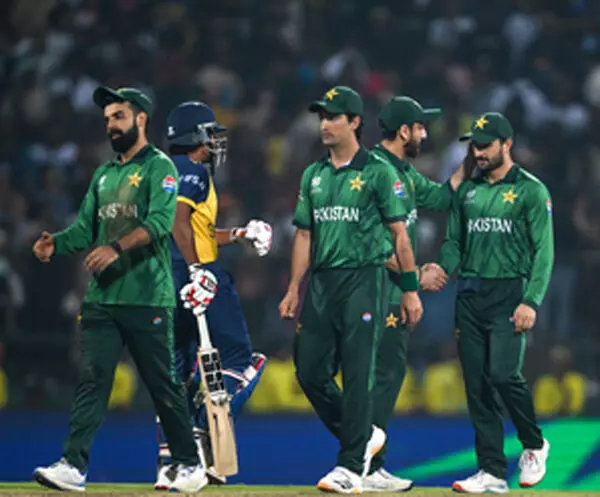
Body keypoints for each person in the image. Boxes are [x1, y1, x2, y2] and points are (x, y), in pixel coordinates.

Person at [31, 86, 209, 493]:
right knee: (92, 381)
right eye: (108, 118)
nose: (111, 125)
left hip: (147, 297)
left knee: (162, 385)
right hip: (103, 299)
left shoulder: (161, 168)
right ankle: (73, 466)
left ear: (141, 119)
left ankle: (190, 464)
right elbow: (85, 230)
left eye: (119, 117)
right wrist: (57, 243)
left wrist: (115, 248)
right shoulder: (104, 174)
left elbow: (160, 223)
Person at [278, 86, 423, 494]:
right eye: (322, 117)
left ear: (355, 122)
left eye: (333, 117)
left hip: (364, 278)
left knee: (359, 373)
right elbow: (304, 235)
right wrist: (294, 287)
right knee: (309, 371)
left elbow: (400, 235)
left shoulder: (378, 171)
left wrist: (409, 289)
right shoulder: (314, 175)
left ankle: (350, 466)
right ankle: (366, 440)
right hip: (322, 282)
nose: (324, 124)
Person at [423, 112, 552, 494]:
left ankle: (534, 443)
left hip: (510, 294)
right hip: (469, 294)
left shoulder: (531, 190)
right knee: (477, 386)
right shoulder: (467, 190)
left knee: (503, 374)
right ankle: (492, 472)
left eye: (485, 145)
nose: (478, 152)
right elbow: (454, 242)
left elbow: (544, 252)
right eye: (474, 145)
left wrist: (531, 301)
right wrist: (442, 267)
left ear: (506, 144)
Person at [155, 101, 270, 488]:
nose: (216, 142)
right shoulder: (194, 170)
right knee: (242, 359)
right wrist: (197, 271)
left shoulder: (161, 173)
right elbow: (179, 224)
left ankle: (172, 463)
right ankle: (206, 425)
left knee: (177, 372)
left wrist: (237, 234)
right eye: (211, 134)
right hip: (199, 276)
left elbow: (193, 230)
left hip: (163, 280)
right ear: (195, 136)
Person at [364, 96, 464, 492]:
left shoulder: (403, 172)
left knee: (386, 376)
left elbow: (441, 197)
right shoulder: (376, 171)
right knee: (379, 376)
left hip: (391, 292)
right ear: (403, 130)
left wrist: (471, 160)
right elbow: (370, 240)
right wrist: (413, 276)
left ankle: (368, 463)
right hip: (373, 292)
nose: (425, 133)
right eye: (420, 127)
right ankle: (362, 463)